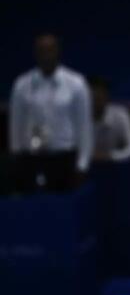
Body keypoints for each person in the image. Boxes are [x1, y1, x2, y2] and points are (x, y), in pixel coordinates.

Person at [8, 33, 93, 191]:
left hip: (64, 158)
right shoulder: (22, 85)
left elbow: (84, 127)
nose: (46, 55)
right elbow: (16, 125)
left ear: (58, 51)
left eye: (50, 50)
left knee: (64, 204)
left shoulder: (76, 83)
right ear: (36, 53)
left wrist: (83, 164)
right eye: (42, 51)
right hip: (31, 157)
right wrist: (16, 157)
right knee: (33, 203)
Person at [89, 76, 130, 163]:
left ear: (106, 97)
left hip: (114, 165)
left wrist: (111, 156)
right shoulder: (77, 117)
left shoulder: (120, 115)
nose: (96, 103)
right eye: (92, 99)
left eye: (99, 98)